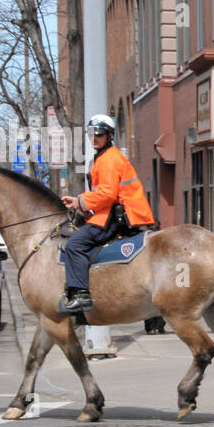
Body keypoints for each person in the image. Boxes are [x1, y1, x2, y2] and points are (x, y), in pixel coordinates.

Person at [59, 114, 156, 314]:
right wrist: (82, 206)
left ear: (109, 136)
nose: (94, 138)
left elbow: (108, 194)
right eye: (91, 134)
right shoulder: (103, 158)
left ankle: (81, 295)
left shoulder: (109, 159)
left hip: (119, 216)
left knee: (75, 245)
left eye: (99, 134)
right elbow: (103, 194)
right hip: (112, 213)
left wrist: (80, 202)